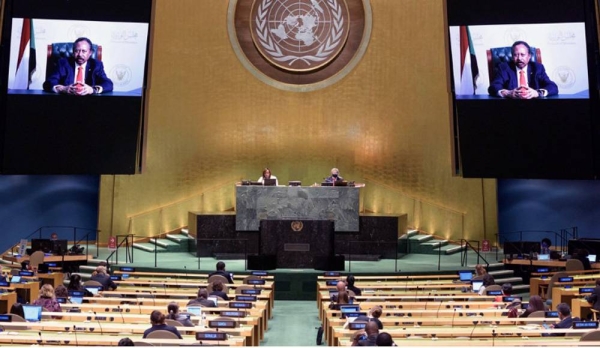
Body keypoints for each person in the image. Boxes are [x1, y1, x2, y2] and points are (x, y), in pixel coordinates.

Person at [43, 37, 113, 95]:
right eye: (77, 51)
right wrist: (63, 89)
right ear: (73, 52)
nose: (80, 54)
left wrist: (93, 90)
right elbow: (48, 82)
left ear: (90, 53)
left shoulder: (96, 65)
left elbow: (108, 83)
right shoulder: (63, 63)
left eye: (84, 51)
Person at [488, 40, 558, 99]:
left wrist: (537, 93)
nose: (519, 58)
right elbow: (493, 87)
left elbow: (552, 87)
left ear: (529, 56)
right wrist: (508, 93)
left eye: (522, 54)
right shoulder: (504, 67)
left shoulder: (537, 68)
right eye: (516, 55)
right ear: (512, 57)